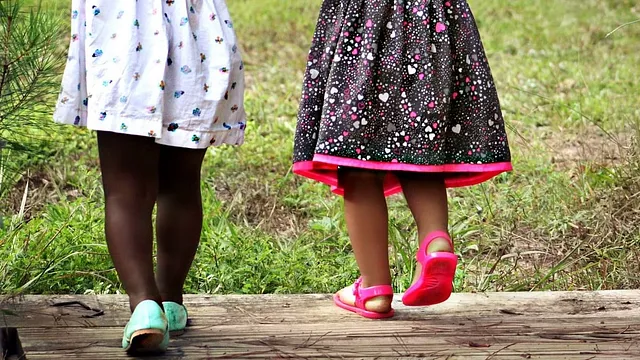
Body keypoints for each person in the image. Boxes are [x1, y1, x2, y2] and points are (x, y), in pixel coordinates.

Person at [293, 0, 512, 318]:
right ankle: (435, 240)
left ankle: (373, 290)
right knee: (420, 152)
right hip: (432, 27)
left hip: (362, 33)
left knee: (359, 167)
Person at [54, 0, 245, 353]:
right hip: (200, 42)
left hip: (123, 42)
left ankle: (144, 305)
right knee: (182, 184)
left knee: (126, 189)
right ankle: (171, 301)